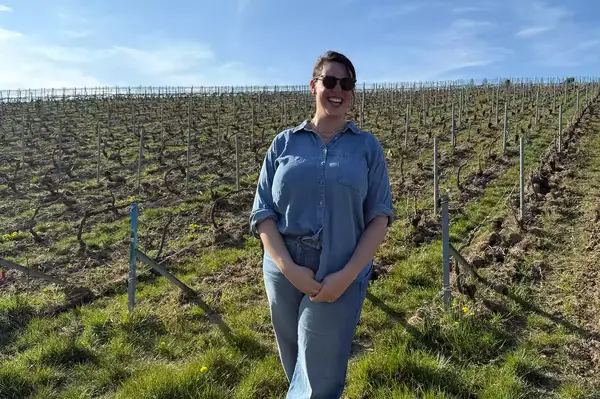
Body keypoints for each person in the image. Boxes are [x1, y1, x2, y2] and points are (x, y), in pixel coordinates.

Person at [249, 50, 395, 399]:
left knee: (318, 373)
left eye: (346, 84)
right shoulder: (283, 143)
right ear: (313, 86)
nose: (338, 89)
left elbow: (379, 216)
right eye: (330, 81)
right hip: (283, 270)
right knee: (297, 360)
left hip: (341, 269)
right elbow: (263, 213)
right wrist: (289, 269)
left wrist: (345, 276)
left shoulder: (366, 147)